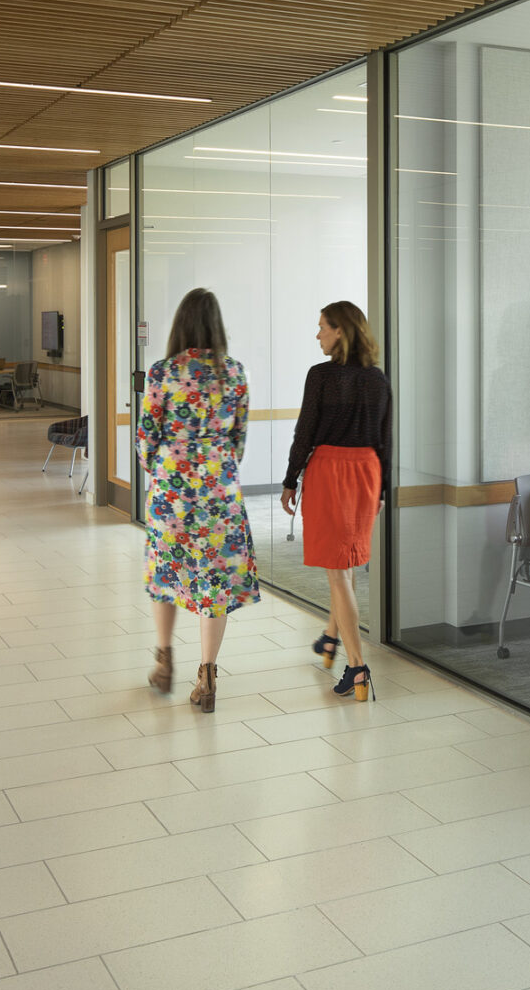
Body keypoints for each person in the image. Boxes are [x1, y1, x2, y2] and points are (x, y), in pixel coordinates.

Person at [138, 288, 259, 712]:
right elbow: (238, 440)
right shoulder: (236, 374)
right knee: (214, 585)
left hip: (173, 491)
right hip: (219, 492)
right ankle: (207, 675)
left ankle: (164, 660)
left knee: (166, 575)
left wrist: (161, 467)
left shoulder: (163, 373)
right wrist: (217, 466)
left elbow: (145, 440)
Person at [282, 301, 389, 702]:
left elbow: (305, 431)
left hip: (331, 471)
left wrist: (290, 479)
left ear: (340, 330)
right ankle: (330, 638)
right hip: (367, 472)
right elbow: (385, 440)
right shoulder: (377, 379)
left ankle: (358, 668)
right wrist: (381, 490)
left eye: (323, 327)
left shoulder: (322, 376)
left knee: (337, 571)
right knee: (343, 563)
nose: (318, 334)